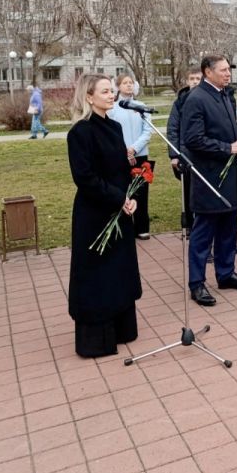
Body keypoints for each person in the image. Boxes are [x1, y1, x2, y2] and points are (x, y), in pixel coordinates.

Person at [65, 75, 141, 356]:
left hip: (120, 210)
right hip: (94, 214)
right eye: (105, 91)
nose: (112, 95)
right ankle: (97, 339)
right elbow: (84, 177)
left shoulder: (116, 126)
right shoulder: (80, 133)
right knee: (97, 274)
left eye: (112, 90)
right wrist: (117, 197)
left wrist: (129, 197)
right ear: (88, 96)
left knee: (119, 271)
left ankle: (122, 328)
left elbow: (120, 170)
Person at [182, 55, 237, 306]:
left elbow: (224, 131)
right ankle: (197, 283)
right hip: (209, 176)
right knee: (203, 233)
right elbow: (193, 139)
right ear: (207, 72)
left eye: (229, 70)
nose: (228, 74)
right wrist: (227, 147)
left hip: (230, 174)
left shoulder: (224, 94)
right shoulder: (196, 98)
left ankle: (226, 274)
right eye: (223, 70)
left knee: (228, 227)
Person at [108, 73, 154, 240]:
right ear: (118, 86)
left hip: (140, 155)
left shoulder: (141, 106)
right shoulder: (113, 108)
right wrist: (125, 151)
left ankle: (142, 227)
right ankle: (124, 228)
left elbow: (147, 131)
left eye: (131, 82)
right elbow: (112, 132)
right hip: (120, 156)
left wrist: (134, 148)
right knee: (122, 191)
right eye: (125, 83)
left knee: (141, 192)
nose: (128, 85)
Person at [166, 68, 202, 229]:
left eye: (198, 78)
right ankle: (189, 225)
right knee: (188, 191)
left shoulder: (207, 99)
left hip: (205, 153)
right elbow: (173, 128)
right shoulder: (180, 101)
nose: (195, 81)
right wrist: (174, 154)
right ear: (187, 81)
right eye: (192, 78)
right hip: (185, 153)